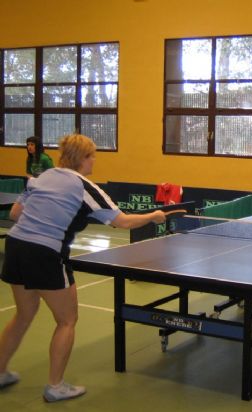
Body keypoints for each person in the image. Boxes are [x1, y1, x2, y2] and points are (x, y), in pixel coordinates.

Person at [0, 134, 166, 402]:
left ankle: (0, 372)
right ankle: (55, 386)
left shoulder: (42, 177)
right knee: (67, 320)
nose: (95, 161)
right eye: (93, 156)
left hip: (16, 245)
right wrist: (154, 216)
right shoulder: (84, 187)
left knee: (22, 315)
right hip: (46, 253)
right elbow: (122, 222)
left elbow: (15, 214)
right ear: (83, 158)